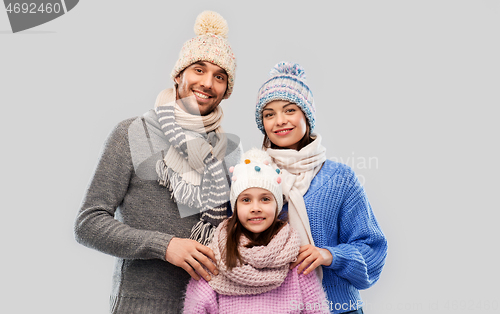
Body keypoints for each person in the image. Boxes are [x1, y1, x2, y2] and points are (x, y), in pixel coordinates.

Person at [74, 11, 241, 313]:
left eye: (219, 76)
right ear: (179, 75)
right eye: (199, 69)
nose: (207, 82)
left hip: (211, 304)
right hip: (140, 306)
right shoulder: (132, 133)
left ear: (225, 92)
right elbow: (88, 223)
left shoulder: (228, 151)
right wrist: (165, 246)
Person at [254, 62, 388, 314]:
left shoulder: (340, 178)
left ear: (306, 115)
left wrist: (330, 255)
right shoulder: (255, 176)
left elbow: (374, 249)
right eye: (269, 114)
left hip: (337, 308)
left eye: (289, 110)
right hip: (274, 307)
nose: (279, 121)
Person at [183, 148, 329, 314]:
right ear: (235, 207)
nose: (255, 208)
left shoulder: (296, 262)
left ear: (277, 205)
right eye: (246, 200)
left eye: (265, 199)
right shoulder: (215, 260)